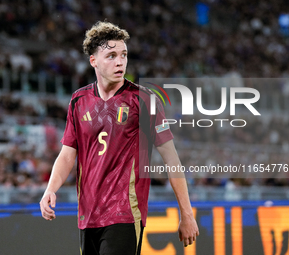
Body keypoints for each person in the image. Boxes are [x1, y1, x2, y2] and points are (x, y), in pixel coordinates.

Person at [40, 21, 199, 255]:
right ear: (93, 60)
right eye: (111, 55)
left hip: (124, 214)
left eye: (123, 54)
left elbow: (171, 159)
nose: (120, 61)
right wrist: (50, 189)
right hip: (88, 216)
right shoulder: (78, 101)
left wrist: (187, 214)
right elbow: (67, 155)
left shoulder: (144, 100)